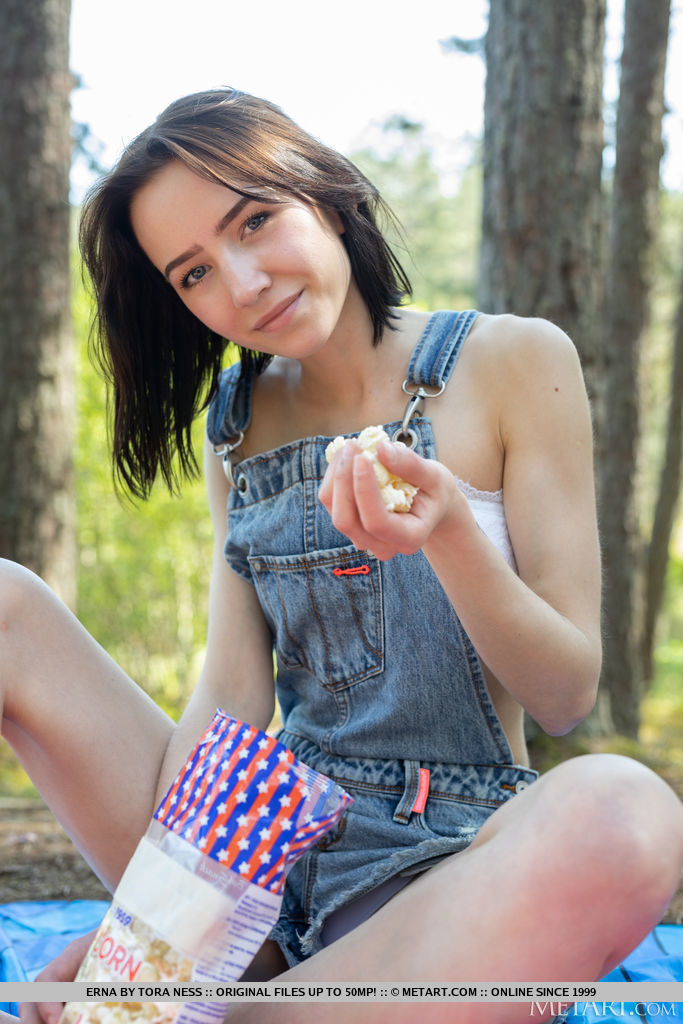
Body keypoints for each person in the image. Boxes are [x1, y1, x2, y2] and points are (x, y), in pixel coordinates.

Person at [3, 88, 682, 1024]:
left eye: (253, 220)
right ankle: (190, 989)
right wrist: (149, 924)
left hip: (437, 879)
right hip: (260, 858)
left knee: (623, 810)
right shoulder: (233, 427)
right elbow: (230, 698)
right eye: (194, 273)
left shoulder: (515, 361)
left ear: (325, 193)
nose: (243, 283)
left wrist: (446, 532)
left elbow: (566, 695)